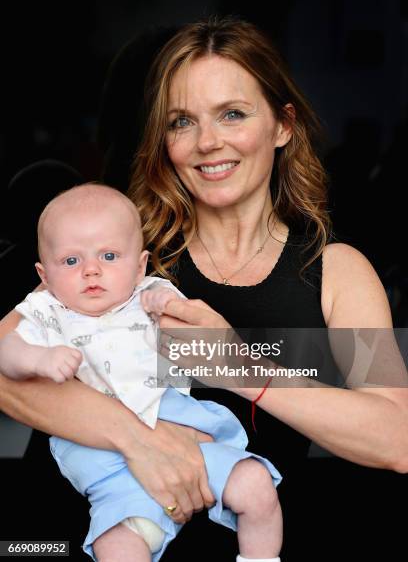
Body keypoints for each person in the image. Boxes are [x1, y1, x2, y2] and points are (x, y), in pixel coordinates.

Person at [1, 17, 407, 561]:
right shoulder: (118, 249)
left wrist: (241, 369)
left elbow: (397, 438)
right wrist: (141, 441)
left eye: (232, 114)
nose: (207, 142)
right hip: (59, 543)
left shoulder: (336, 271)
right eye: (182, 122)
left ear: (283, 125)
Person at [0, 183, 283, 562]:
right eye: (70, 261)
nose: (91, 270)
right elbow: (6, 350)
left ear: (139, 266)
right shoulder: (45, 310)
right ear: (44, 274)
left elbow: (197, 335)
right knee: (115, 545)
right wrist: (37, 360)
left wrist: (166, 305)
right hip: (100, 456)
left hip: (182, 427)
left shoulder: (148, 294)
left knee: (256, 485)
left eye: (110, 256)